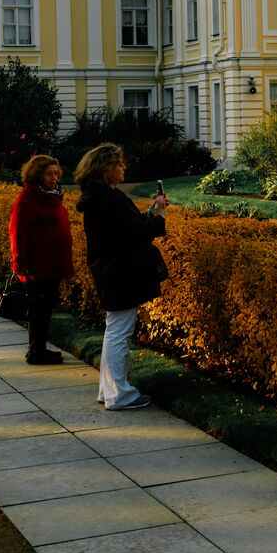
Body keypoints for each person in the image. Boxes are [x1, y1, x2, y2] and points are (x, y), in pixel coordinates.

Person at [75, 143, 167, 410]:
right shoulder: (109, 199)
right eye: (119, 164)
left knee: (115, 329)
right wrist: (159, 217)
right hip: (119, 272)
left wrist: (150, 213)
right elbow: (135, 234)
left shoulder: (100, 197)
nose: (124, 168)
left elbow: (128, 228)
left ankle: (110, 389)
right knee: (119, 332)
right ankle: (119, 394)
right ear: (106, 169)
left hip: (111, 270)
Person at [8, 155, 74, 365]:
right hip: (38, 265)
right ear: (38, 174)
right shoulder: (28, 197)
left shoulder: (52, 195)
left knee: (45, 306)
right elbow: (17, 231)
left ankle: (39, 348)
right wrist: (19, 262)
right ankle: (36, 351)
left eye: (56, 173)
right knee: (39, 308)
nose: (54, 177)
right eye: (49, 174)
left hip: (53, 262)